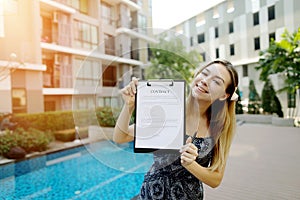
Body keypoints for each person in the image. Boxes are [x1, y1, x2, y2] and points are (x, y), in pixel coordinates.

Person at [113, 59, 239, 200]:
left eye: (216, 81)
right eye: (204, 73)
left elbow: (216, 179)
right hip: (150, 195)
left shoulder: (218, 127)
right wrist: (129, 106)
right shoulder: (168, 110)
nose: (205, 81)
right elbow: (120, 137)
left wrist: (191, 165)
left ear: (224, 95)